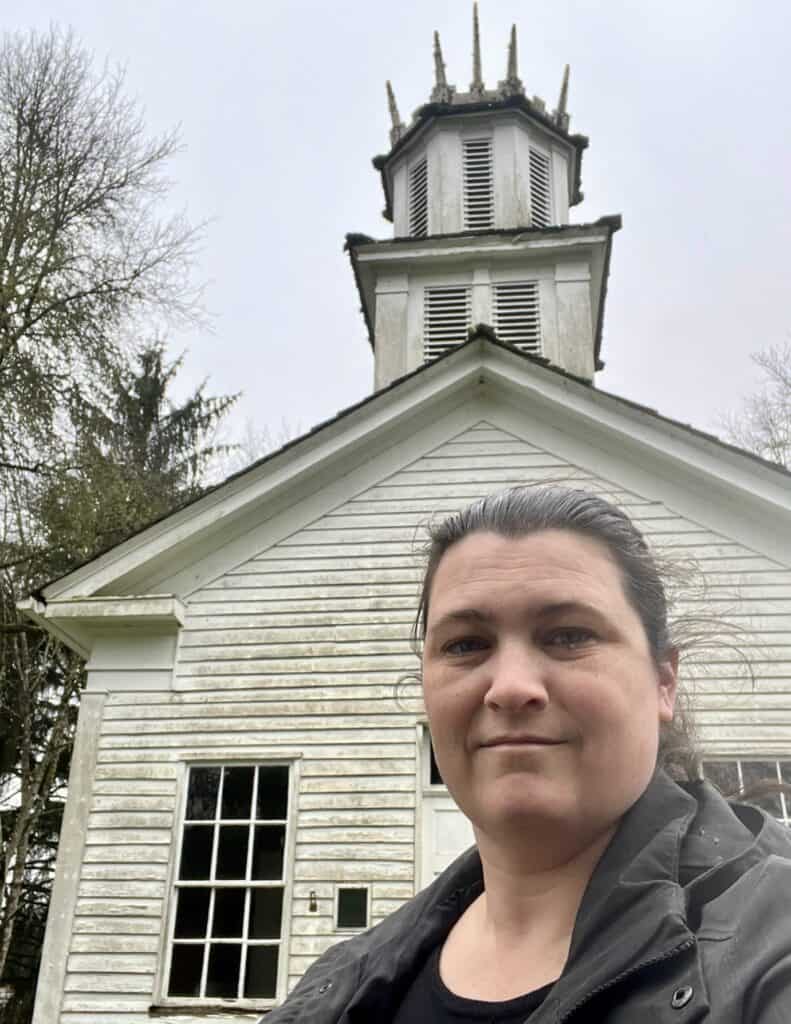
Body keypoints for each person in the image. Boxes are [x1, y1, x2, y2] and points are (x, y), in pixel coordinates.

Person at [260, 486, 791, 1023]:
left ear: (663, 682)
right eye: (466, 644)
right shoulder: (339, 988)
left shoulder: (772, 945)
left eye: (569, 636)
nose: (511, 687)